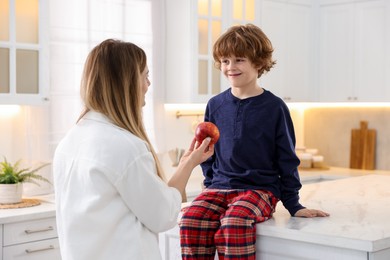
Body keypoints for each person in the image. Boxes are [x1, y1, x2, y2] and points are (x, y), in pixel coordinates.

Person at [52, 39, 214, 260]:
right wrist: (189, 165)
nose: (148, 85)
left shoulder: (70, 140)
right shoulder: (125, 147)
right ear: (126, 82)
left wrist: (187, 163)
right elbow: (164, 216)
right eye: (145, 76)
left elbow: (153, 202)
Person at [179, 24, 329, 260]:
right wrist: (210, 181)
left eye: (239, 60)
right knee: (190, 219)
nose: (230, 67)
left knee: (234, 223)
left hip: (259, 190)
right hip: (219, 187)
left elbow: (287, 158)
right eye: (225, 60)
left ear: (259, 63)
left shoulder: (275, 107)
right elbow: (207, 150)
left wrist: (294, 204)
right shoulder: (215, 105)